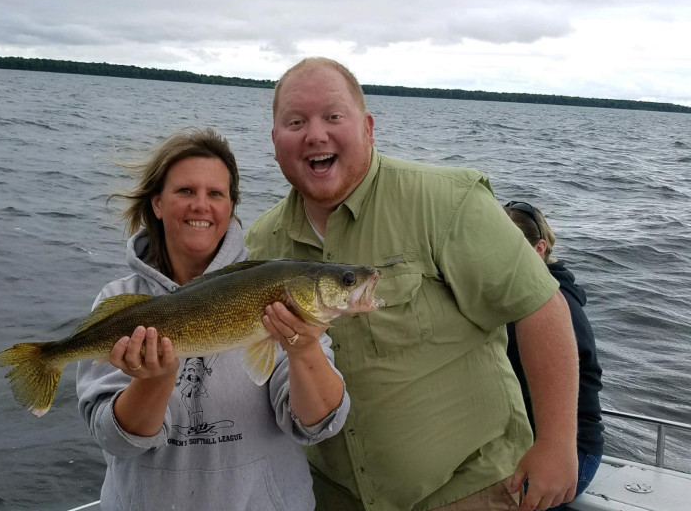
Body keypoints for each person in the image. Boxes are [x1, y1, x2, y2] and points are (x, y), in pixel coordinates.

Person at [245, 57, 580, 511]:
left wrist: (558, 443)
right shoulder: (262, 241)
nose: (315, 134)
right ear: (275, 140)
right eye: (296, 121)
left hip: (468, 490)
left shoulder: (446, 202)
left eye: (333, 116)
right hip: (326, 496)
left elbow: (540, 306)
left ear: (367, 127)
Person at [76, 127, 350, 510]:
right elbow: (115, 440)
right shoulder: (120, 301)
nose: (201, 205)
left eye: (216, 194)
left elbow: (317, 425)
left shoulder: (281, 294)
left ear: (231, 207)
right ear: (157, 203)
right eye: (186, 191)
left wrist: (304, 348)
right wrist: (153, 382)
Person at [504, 201, 604, 509]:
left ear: (538, 248)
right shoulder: (509, 296)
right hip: (523, 439)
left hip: (571, 450)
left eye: (506, 246)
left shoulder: (555, 305)